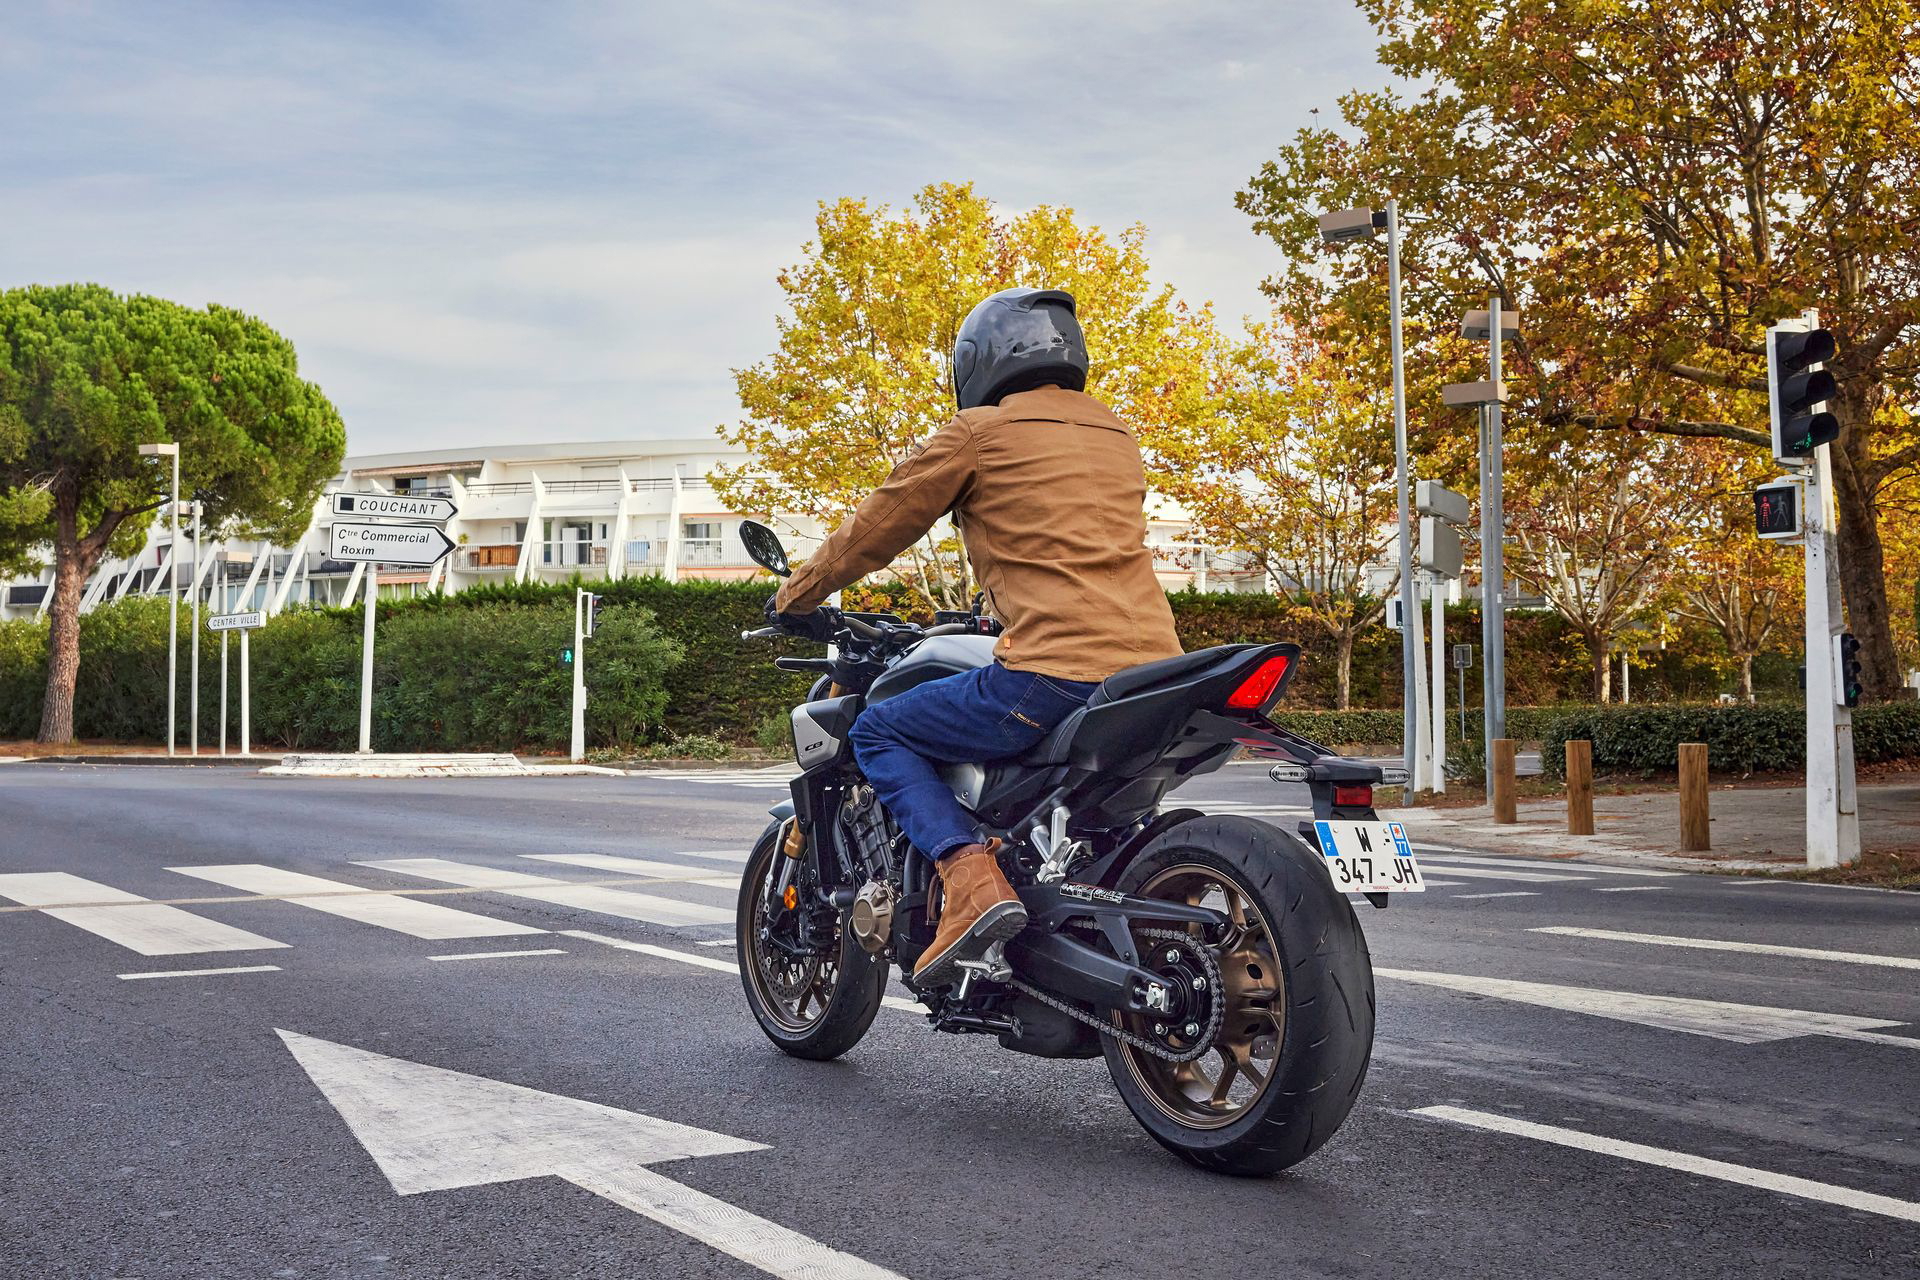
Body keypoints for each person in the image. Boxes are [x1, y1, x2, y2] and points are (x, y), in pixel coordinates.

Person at [767, 287, 1183, 986]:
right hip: (1156, 672)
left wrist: (796, 593)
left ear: (982, 359)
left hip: (1055, 672)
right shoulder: (1116, 434)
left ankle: (968, 878)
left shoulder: (979, 431)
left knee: (878, 732)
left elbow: (878, 525)